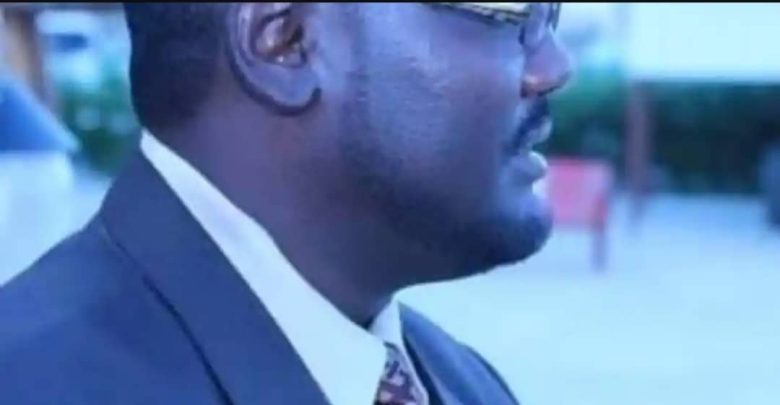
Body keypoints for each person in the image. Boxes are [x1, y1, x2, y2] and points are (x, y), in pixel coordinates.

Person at [0, 3, 571, 404]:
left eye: (552, 16)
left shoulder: (466, 384)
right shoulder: (27, 383)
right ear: (286, 42)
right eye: (509, 13)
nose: (553, 67)